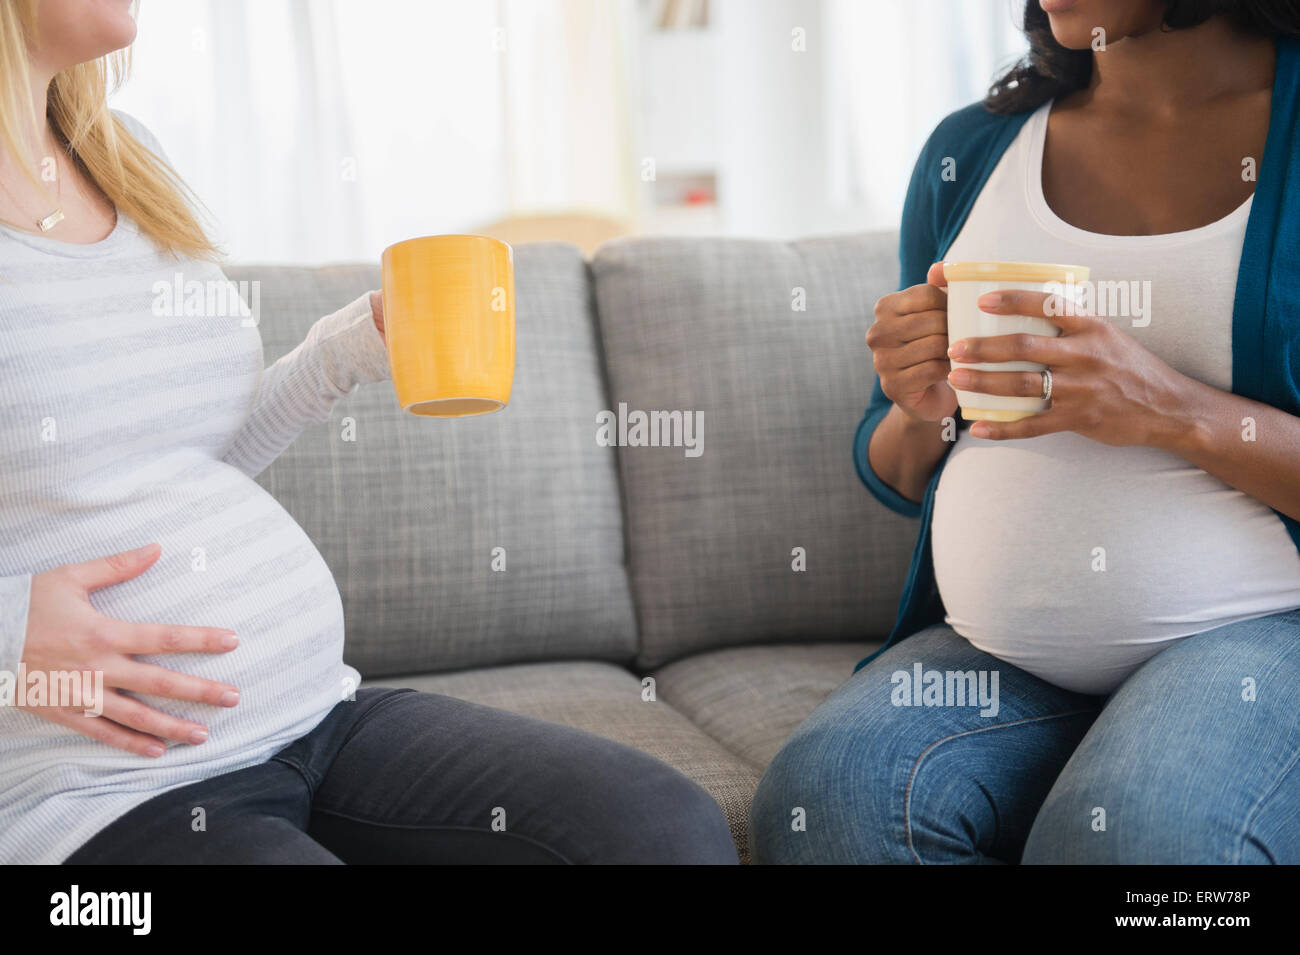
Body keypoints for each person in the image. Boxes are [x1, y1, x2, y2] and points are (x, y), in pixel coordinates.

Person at [0, 0, 738, 865]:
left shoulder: (123, 156)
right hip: (105, 796)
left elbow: (192, 465)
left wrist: (348, 350)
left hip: (321, 718)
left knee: (664, 831)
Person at [752, 0, 1300, 864]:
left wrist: (1173, 409)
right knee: (830, 802)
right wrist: (919, 402)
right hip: (999, 652)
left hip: (1258, 633)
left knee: (1144, 841)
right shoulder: (968, 151)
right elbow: (893, 465)